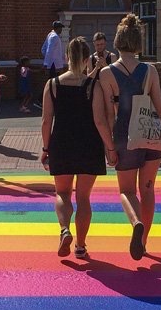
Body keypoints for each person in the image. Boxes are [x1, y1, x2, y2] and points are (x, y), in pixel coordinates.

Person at [96, 13, 161, 260]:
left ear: (117, 42)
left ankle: (136, 222)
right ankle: (144, 241)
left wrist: (109, 147)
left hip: (124, 135)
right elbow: (160, 107)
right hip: (150, 135)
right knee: (148, 190)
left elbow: (110, 114)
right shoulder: (150, 71)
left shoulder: (107, 74)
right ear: (138, 43)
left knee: (126, 191)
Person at [41, 37, 112, 259]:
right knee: (83, 198)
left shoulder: (52, 85)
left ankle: (64, 229)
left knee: (62, 193)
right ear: (85, 59)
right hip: (88, 145)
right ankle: (80, 246)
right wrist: (110, 148)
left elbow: (46, 121)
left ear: (66, 57)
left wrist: (45, 148)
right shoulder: (93, 86)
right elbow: (100, 121)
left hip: (61, 143)